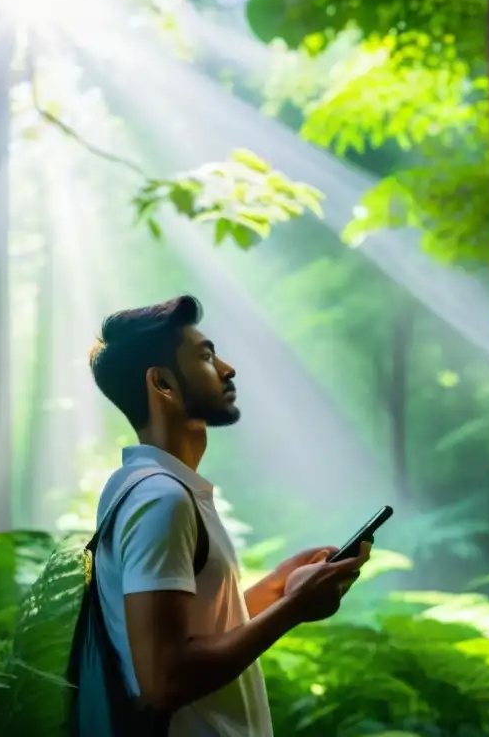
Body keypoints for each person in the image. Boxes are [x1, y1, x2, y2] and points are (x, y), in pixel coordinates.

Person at [87, 294, 370, 736]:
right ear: (162, 383)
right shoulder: (161, 498)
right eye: (205, 356)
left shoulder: (154, 487)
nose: (227, 368)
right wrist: (295, 607)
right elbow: (164, 680)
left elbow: (191, 632)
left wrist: (278, 588)